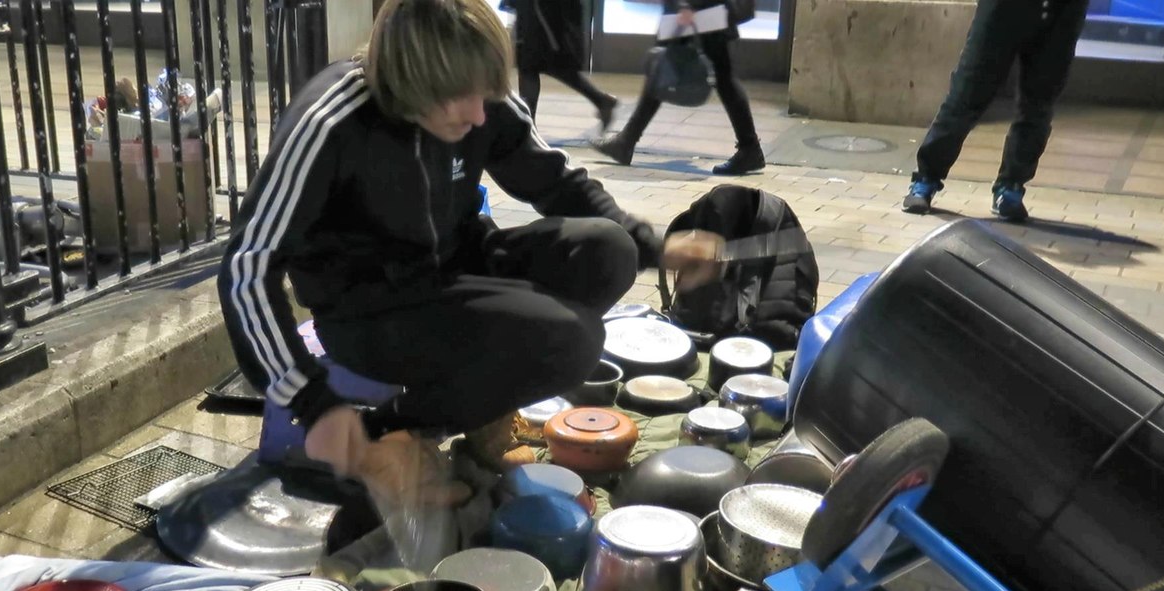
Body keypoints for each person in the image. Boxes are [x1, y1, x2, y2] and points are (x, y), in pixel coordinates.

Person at [218, 0, 720, 508]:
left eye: (487, 94)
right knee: (573, 343)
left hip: (454, 262)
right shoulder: (332, 121)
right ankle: (388, 434)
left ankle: (480, 412)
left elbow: (556, 181)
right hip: (368, 307)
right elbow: (246, 269)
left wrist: (656, 247)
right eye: (463, 99)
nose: (481, 114)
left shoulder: (475, 95)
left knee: (609, 251)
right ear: (410, 80)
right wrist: (312, 403)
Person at [902, 0, 1089, 221]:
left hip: (1064, 11)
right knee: (968, 90)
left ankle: (1010, 187)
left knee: (1039, 101)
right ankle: (926, 178)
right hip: (1004, 7)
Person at [590, 0, 763, 176]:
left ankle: (749, 147)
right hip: (702, 9)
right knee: (673, 67)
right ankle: (626, 140)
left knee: (669, 67)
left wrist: (685, 5)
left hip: (700, 9)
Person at [514, 0, 619, 130]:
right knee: (535, 62)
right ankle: (600, 100)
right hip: (539, 9)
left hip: (540, 9)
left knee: (531, 62)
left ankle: (527, 126)